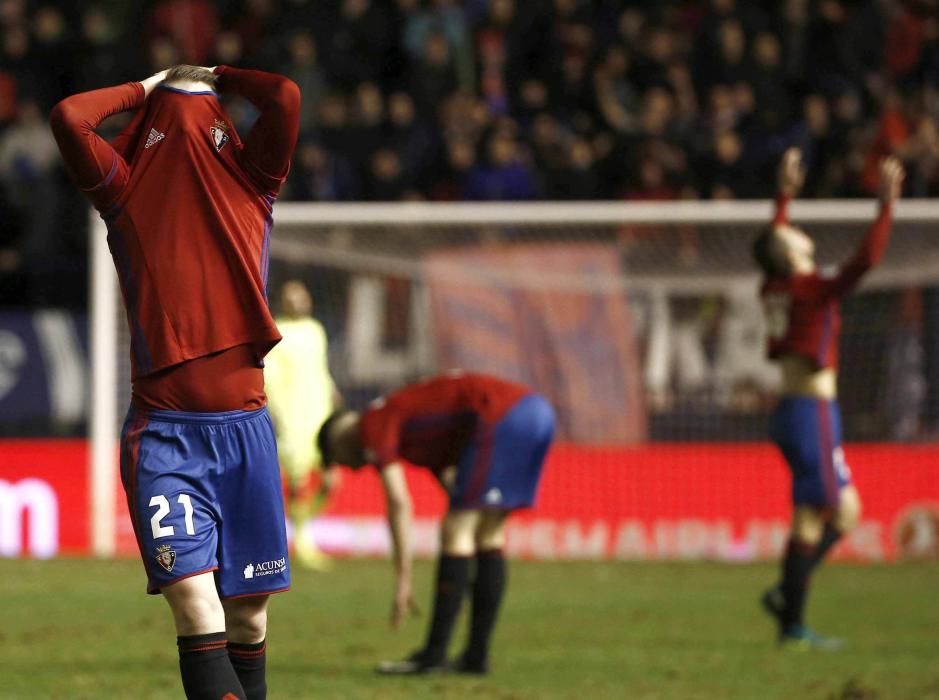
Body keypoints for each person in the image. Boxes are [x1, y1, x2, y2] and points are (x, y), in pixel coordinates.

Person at [50, 63, 300, 699]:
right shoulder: (125, 190)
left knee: (248, 615)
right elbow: (68, 118)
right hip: (166, 437)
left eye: (205, 104)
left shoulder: (252, 182)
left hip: (246, 433)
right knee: (197, 606)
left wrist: (198, 77)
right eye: (174, 107)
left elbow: (286, 96)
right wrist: (159, 83)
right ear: (155, 118)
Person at [753, 148, 904, 650]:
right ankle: (791, 617)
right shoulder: (810, 288)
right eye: (791, 231)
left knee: (842, 511)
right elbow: (867, 261)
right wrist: (886, 206)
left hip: (798, 410)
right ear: (793, 253)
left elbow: (772, 243)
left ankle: (787, 601)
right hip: (810, 410)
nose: (796, 230)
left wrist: (784, 196)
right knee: (825, 513)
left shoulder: (777, 283)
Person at [317, 370, 556, 674]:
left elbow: (399, 501)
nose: (348, 469)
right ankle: (475, 657)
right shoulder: (416, 434)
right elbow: (453, 484)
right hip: (536, 412)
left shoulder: (373, 423)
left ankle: (433, 655)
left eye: (337, 459)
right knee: (488, 533)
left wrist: (403, 578)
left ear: (337, 438)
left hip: (502, 417)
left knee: (457, 530)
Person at [265, 279, 340, 570]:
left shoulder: (316, 330)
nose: (298, 301)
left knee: (331, 480)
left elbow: (320, 368)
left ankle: (304, 529)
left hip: (319, 415)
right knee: (298, 483)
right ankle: (303, 543)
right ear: (283, 301)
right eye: (291, 296)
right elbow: (269, 378)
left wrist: (332, 390)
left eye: (301, 295)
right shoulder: (276, 330)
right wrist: (279, 415)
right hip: (293, 419)